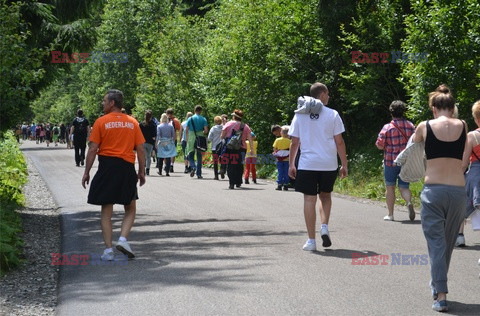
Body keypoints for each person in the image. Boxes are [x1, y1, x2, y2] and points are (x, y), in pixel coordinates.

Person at [412, 85, 467, 312]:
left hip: (433, 191)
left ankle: (441, 295)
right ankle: (438, 283)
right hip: (457, 192)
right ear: (453, 109)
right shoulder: (463, 125)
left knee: (436, 245)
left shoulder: (424, 126)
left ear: (433, 108)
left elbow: (413, 147)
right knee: (447, 244)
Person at [82, 89, 146, 261]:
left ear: (112, 103)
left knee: (106, 210)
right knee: (130, 207)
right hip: (126, 168)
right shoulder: (133, 122)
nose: (102, 104)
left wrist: (87, 172)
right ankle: (123, 239)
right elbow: (140, 149)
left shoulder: (101, 122)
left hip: (107, 167)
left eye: (104, 101)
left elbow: (93, 148)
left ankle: (108, 251)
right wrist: (141, 171)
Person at [288, 82, 348, 251]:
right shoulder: (333, 114)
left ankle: (311, 241)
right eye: (327, 93)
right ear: (322, 94)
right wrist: (344, 164)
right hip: (328, 163)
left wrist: (291, 164)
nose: (329, 97)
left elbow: (294, 142)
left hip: (308, 164)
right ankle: (324, 226)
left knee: (309, 199)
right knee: (325, 196)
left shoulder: (300, 115)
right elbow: (340, 142)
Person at [375, 100, 416, 221]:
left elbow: (379, 145)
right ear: (403, 112)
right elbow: (415, 142)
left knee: (390, 187)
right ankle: (408, 202)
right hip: (406, 162)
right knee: (404, 186)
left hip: (390, 162)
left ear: (391, 112)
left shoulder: (387, 127)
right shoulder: (410, 126)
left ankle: (391, 214)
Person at [458, 100, 480, 249]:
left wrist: (457, 175)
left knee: (462, 202)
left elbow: (464, 162)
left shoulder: (472, 136)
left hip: (475, 174)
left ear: (476, 118)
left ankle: (460, 236)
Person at [221, 109, 254, 189]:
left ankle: (231, 183)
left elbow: (222, 136)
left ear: (234, 116)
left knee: (231, 165)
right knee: (239, 165)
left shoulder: (228, 124)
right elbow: (250, 138)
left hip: (230, 147)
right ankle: (238, 182)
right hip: (242, 148)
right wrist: (252, 149)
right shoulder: (245, 126)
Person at [185, 105, 208, 179]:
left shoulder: (190, 118)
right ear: (200, 111)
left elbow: (187, 129)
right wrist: (202, 132)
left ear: (194, 110)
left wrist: (187, 139)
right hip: (200, 137)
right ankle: (199, 173)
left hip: (192, 137)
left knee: (190, 155)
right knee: (199, 156)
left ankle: (193, 166)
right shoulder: (203, 119)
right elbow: (206, 130)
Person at [139, 110, 157, 176]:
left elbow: (139, 134)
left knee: (143, 156)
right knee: (149, 156)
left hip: (142, 142)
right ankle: (147, 169)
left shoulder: (141, 124)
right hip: (150, 143)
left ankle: (143, 168)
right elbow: (154, 135)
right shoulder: (153, 125)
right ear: (151, 116)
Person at [208, 116, 224, 180]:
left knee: (215, 162)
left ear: (215, 121)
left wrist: (212, 139)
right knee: (222, 160)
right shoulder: (223, 127)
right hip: (222, 146)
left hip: (214, 147)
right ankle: (222, 170)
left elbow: (209, 138)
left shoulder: (213, 128)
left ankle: (216, 176)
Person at [166, 108, 181, 173]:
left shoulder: (164, 120)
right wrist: (179, 137)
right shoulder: (176, 121)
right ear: (173, 113)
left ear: (167, 113)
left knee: (166, 151)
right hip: (173, 138)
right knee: (172, 152)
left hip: (165, 138)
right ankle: (171, 165)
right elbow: (179, 129)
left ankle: (166, 165)